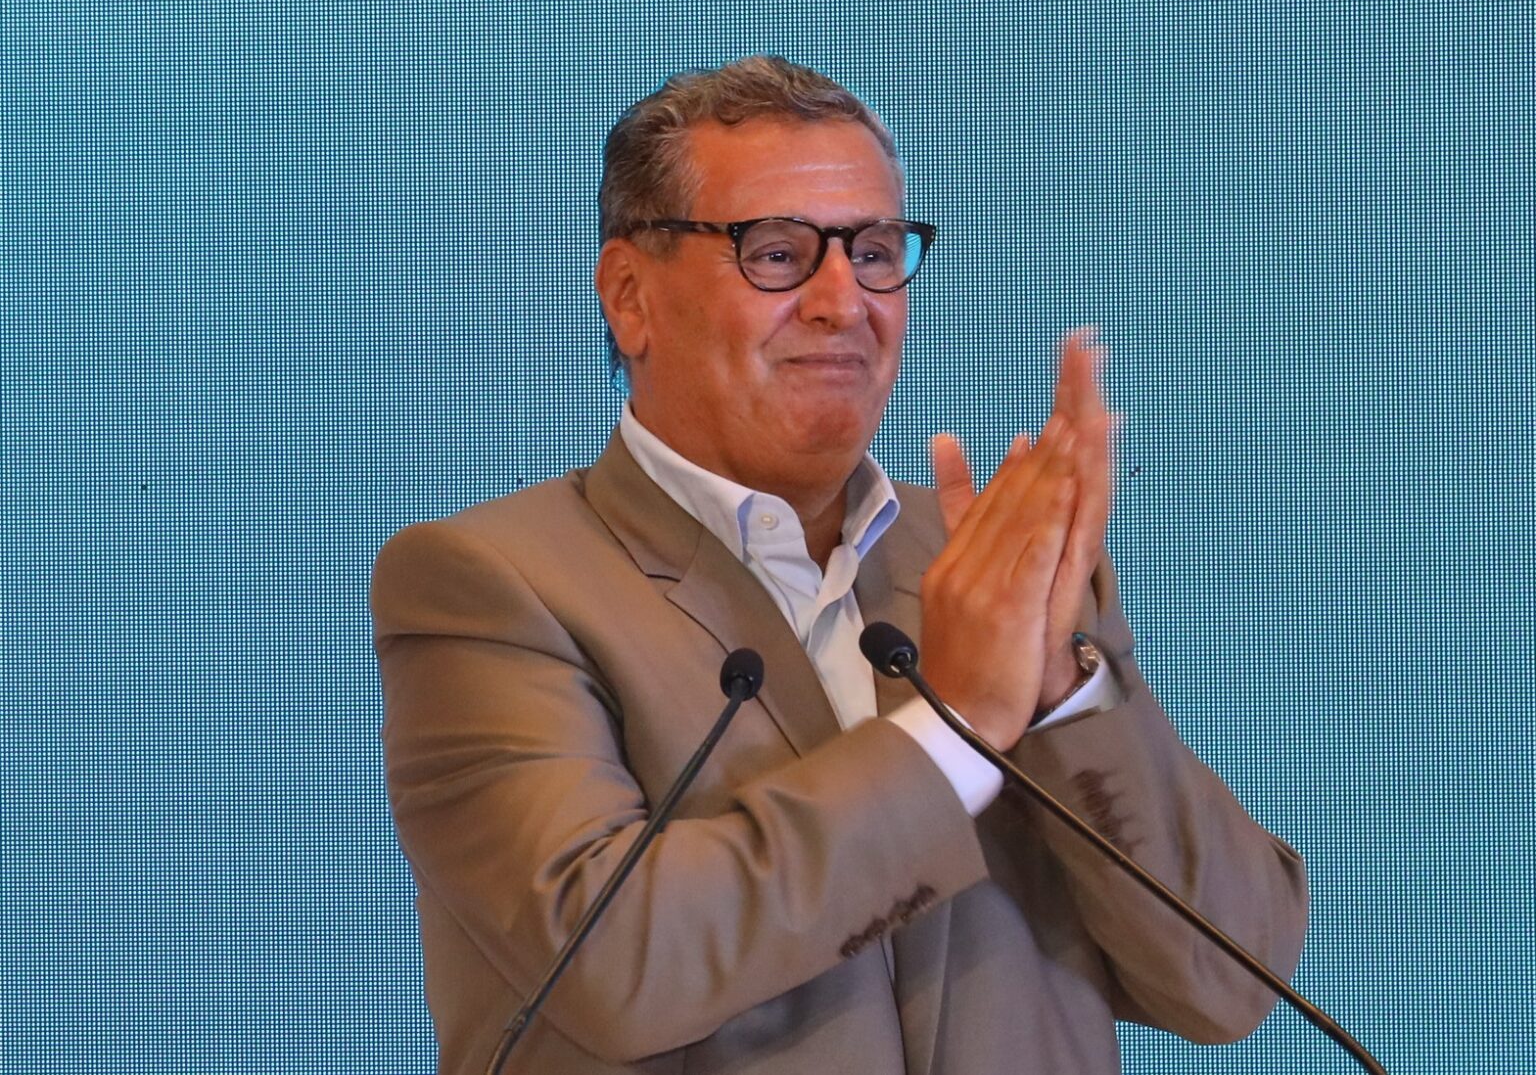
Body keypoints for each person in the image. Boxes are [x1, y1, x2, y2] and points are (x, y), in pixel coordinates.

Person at [372, 55, 1308, 1075]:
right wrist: (957, 732)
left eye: (874, 251)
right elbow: (617, 964)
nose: (843, 300)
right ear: (630, 296)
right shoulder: (491, 584)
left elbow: (1229, 980)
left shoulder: (987, 567)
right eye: (777, 253)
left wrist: (1061, 692)